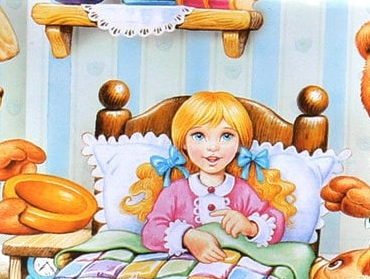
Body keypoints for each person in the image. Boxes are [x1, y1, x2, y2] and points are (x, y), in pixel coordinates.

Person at [122, 91, 296, 262]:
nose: (213, 147)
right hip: (181, 268)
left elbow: (275, 220)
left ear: (239, 144)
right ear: (183, 142)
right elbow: (151, 232)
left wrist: (251, 227)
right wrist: (187, 236)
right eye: (199, 136)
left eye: (226, 136)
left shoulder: (241, 191)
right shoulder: (176, 191)